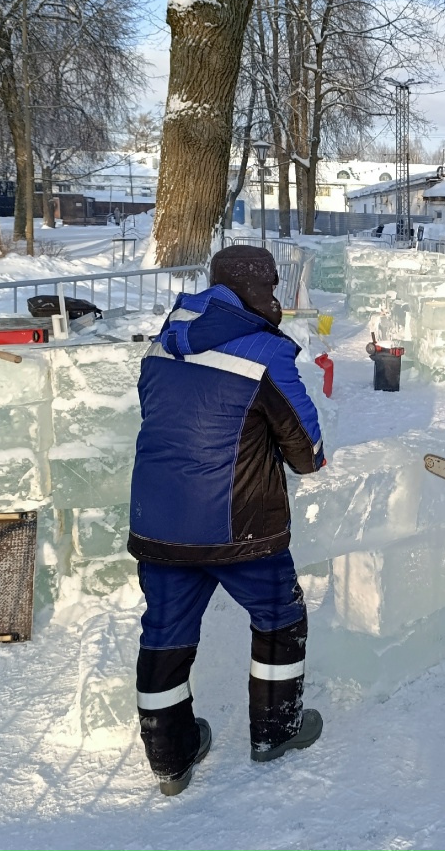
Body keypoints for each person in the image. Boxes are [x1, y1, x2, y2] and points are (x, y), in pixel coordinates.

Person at [128, 245, 327, 797]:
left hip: (159, 519)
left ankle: (170, 760)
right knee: (279, 615)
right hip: (239, 526)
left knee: (164, 632)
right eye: (271, 285)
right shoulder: (265, 350)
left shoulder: (166, 338)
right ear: (259, 288)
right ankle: (274, 732)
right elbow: (307, 453)